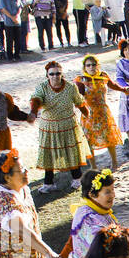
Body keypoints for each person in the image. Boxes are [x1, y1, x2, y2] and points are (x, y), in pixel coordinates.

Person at [29, 60, 91, 192]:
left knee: (72, 151)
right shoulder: (42, 87)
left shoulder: (70, 87)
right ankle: (48, 183)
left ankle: (77, 178)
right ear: (47, 75)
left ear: (62, 74)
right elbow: (36, 99)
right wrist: (33, 112)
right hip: (49, 126)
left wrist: (87, 114)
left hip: (68, 124)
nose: (55, 76)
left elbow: (79, 102)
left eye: (58, 74)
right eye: (52, 74)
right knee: (49, 154)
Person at [78, 53, 128, 170]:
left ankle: (114, 162)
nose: (91, 67)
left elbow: (113, 85)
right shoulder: (81, 80)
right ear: (84, 67)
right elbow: (76, 95)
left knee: (109, 137)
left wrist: (123, 89)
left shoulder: (103, 76)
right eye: (88, 65)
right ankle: (93, 166)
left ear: (98, 66)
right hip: (88, 113)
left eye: (93, 65)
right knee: (88, 140)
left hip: (103, 111)